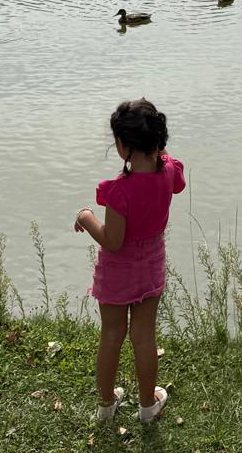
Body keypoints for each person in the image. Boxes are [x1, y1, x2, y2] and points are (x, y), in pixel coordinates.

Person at [75, 97, 185, 424]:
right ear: (157, 140)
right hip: (151, 267)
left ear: (122, 146)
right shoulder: (169, 174)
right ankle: (148, 405)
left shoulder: (119, 192)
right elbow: (174, 172)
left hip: (117, 274)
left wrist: (86, 216)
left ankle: (106, 406)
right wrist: (158, 151)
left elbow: (113, 240)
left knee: (111, 335)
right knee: (144, 335)